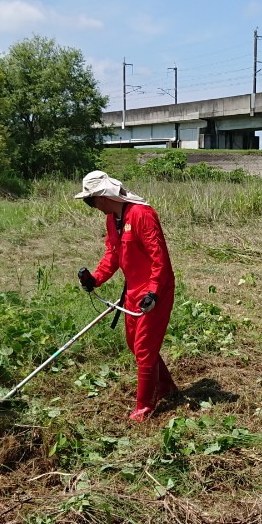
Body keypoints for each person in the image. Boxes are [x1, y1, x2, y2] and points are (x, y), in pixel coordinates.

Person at [74, 171, 177, 422]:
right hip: (133, 291)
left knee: (143, 348)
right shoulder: (113, 220)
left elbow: (159, 258)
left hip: (155, 290)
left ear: (102, 196)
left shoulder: (142, 215)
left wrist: (153, 291)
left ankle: (144, 407)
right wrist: (95, 278)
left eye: (91, 200)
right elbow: (113, 255)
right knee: (135, 344)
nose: (92, 206)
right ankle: (166, 388)